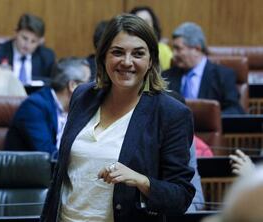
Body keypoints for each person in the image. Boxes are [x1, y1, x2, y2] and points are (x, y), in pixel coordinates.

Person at [41, 14, 195, 221]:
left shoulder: (171, 113)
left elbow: (181, 196)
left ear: (151, 61)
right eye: (117, 52)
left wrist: (142, 181)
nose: (127, 62)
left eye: (138, 54)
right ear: (104, 56)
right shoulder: (83, 96)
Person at [4, 57, 91, 157]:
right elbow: (46, 153)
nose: (92, 89)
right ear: (73, 85)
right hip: (29, 171)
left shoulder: (77, 110)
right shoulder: (34, 107)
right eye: (88, 82)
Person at [162, 22, 244, 114]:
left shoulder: (223, 76)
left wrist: (213, 119)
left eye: (178, 49)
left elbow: (235, 110)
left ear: (197, 49)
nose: (174, 54)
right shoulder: (165, 77)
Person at [0, 13, 56, 85]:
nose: (28, 45)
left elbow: (51, 84)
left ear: (40, 41)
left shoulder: (47, 57)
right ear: (16, 33)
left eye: (33, 41)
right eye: (24, 38)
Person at [130, 6, 173, 71]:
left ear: (153, 26)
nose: (142, 26)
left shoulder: (163, 50)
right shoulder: (126, 48)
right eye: (139, 22)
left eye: (146, 22)